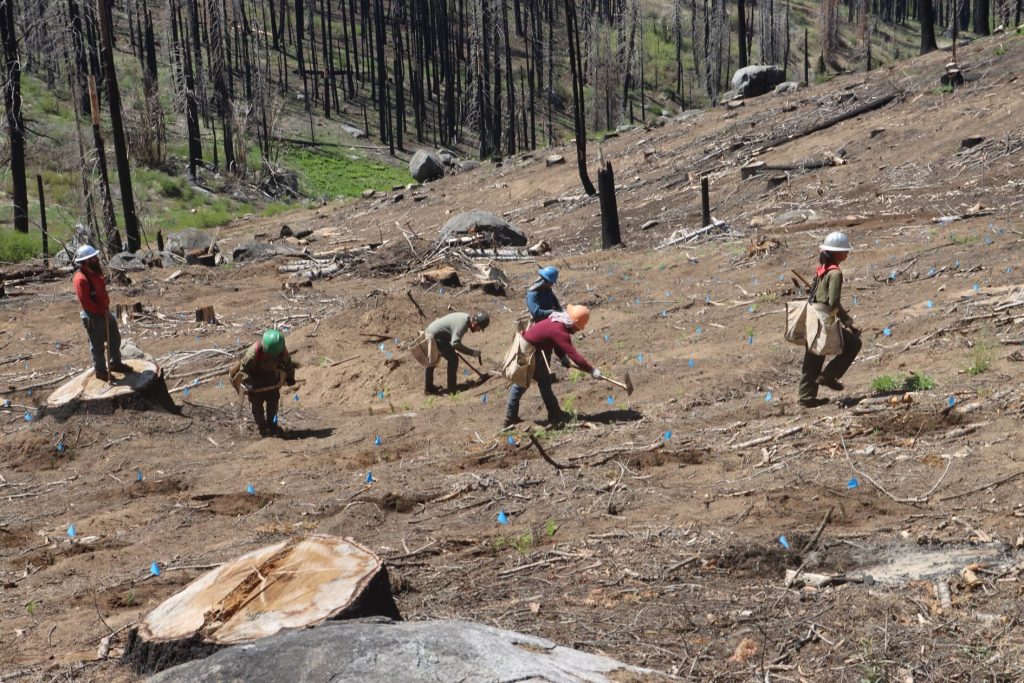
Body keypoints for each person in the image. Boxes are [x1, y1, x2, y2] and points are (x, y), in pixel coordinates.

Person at [504, 305, 602, 428]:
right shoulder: (560, 331)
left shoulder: (558, 321)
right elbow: (574, 355)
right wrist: (591, 370)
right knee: (523, 383)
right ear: (573, 323)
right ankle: (511, 417)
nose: (579, 330)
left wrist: (562, 357)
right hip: (529, 352)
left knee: (542, 382)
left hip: (529, 349)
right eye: (578, 328)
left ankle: (552, 412)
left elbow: (555, 342)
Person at [799, 231, 862, 408]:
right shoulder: (835, 273)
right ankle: (829, 376)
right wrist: (847, 321)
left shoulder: (821, 270)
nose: (847, 253)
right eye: (844, 250)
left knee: (814, 355)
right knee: (854, 344)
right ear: (836, 253)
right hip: (824, 317)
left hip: (812, 316)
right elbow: (833, 302)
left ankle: (806, 397)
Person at [73, 245, 132, 381]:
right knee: (97, 345)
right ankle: (101, 371)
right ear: (86, 261)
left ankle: (115, 363)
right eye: (93, 258)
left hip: (104, 311)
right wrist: (99, 311)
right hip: (93, 315)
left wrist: (104, 307)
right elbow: (86, 302)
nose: (96, 259)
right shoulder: (80, 279)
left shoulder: (95, 272)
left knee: (114, 337)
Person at [231, 329, 297, 437]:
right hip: (255, 377)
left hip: (271, 375)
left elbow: (288, 363)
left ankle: (273, 426)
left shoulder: (280, 348)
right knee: (257, 406)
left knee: (273, 403)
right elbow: (243, 371)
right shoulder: (253, 353)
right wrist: (248, 384)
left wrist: (290, 377)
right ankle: (263, 428)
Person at [424, 311, 490, 395]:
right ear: (475, 324)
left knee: (433, 358)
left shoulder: (465, 318)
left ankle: (428, 387)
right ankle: (451, 389)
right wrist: (472, 352)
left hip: (433, 332)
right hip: (435, 336)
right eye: (479, 328)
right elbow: (455, 343)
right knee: (453, 359)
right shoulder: (462, 324)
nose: (479, 330)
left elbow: (454, 340)